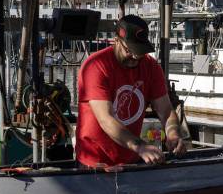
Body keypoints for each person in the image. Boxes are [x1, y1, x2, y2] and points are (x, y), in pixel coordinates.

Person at [75, 14, 188, 167]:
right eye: (130, 50)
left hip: (131, 159)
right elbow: (106, 119)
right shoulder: (96, 66)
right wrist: (140, 146)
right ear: (116, 41)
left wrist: (173, 133)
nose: (135, 56)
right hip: (95, 161)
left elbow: (166, 111)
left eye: (140, 51)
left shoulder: (151, 67)